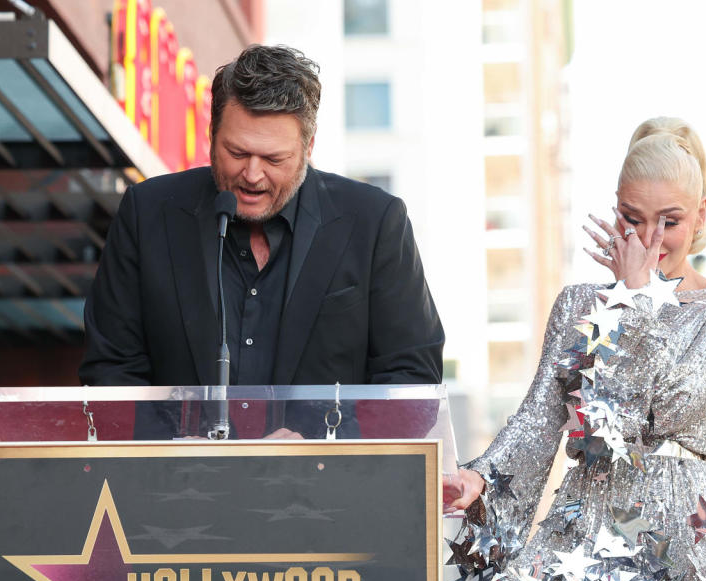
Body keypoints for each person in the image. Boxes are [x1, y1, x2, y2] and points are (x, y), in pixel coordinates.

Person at [444, 117, 706, 581]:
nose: (650, 239)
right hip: (588, 547)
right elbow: (539, 423)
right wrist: (481, 479)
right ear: (614, 211)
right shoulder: (578, 303)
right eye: (632, 218)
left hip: (693, 553)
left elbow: (666, 409)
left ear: (701, 214)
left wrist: (637, 300)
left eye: (669, 221)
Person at [80, 44, 444, 388]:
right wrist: (180, 440)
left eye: (273, 159)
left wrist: (321, 438)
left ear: (308, 148)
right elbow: (110, 369)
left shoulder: (376, 221)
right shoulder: (147, 213)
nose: (252, 175)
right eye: (237, 153)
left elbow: (412, 375)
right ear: (212, 135)